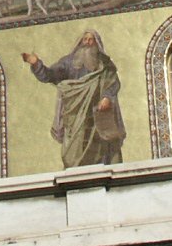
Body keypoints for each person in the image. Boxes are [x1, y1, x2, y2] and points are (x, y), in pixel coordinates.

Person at [21, 31, 125, 166]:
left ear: (96, 43)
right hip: (75, 114)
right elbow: (49, 76)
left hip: (98, 113)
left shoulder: (104, 63)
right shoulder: (68, 63)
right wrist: (36, 64)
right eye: (85, 39)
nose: (87, 42)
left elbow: (113, 82)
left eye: (91, 40)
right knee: (73, 149)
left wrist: (107, 97)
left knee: (102, 146)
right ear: (80, 42)